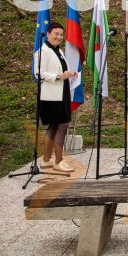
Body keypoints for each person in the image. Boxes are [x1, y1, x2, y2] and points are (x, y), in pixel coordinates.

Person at [36, 21, 78, 173]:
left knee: (54, 126)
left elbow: (59, 70)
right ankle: (59, 162)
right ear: (48, 34)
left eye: (61, 34)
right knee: (62, 125)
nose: (59, 37)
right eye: (56, 34)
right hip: (51, 96)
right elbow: (38, 73)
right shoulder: (43, 52)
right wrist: (60, 76)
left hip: (61, 93)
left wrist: (69, 73)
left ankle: (46, 160)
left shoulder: (57, 51)